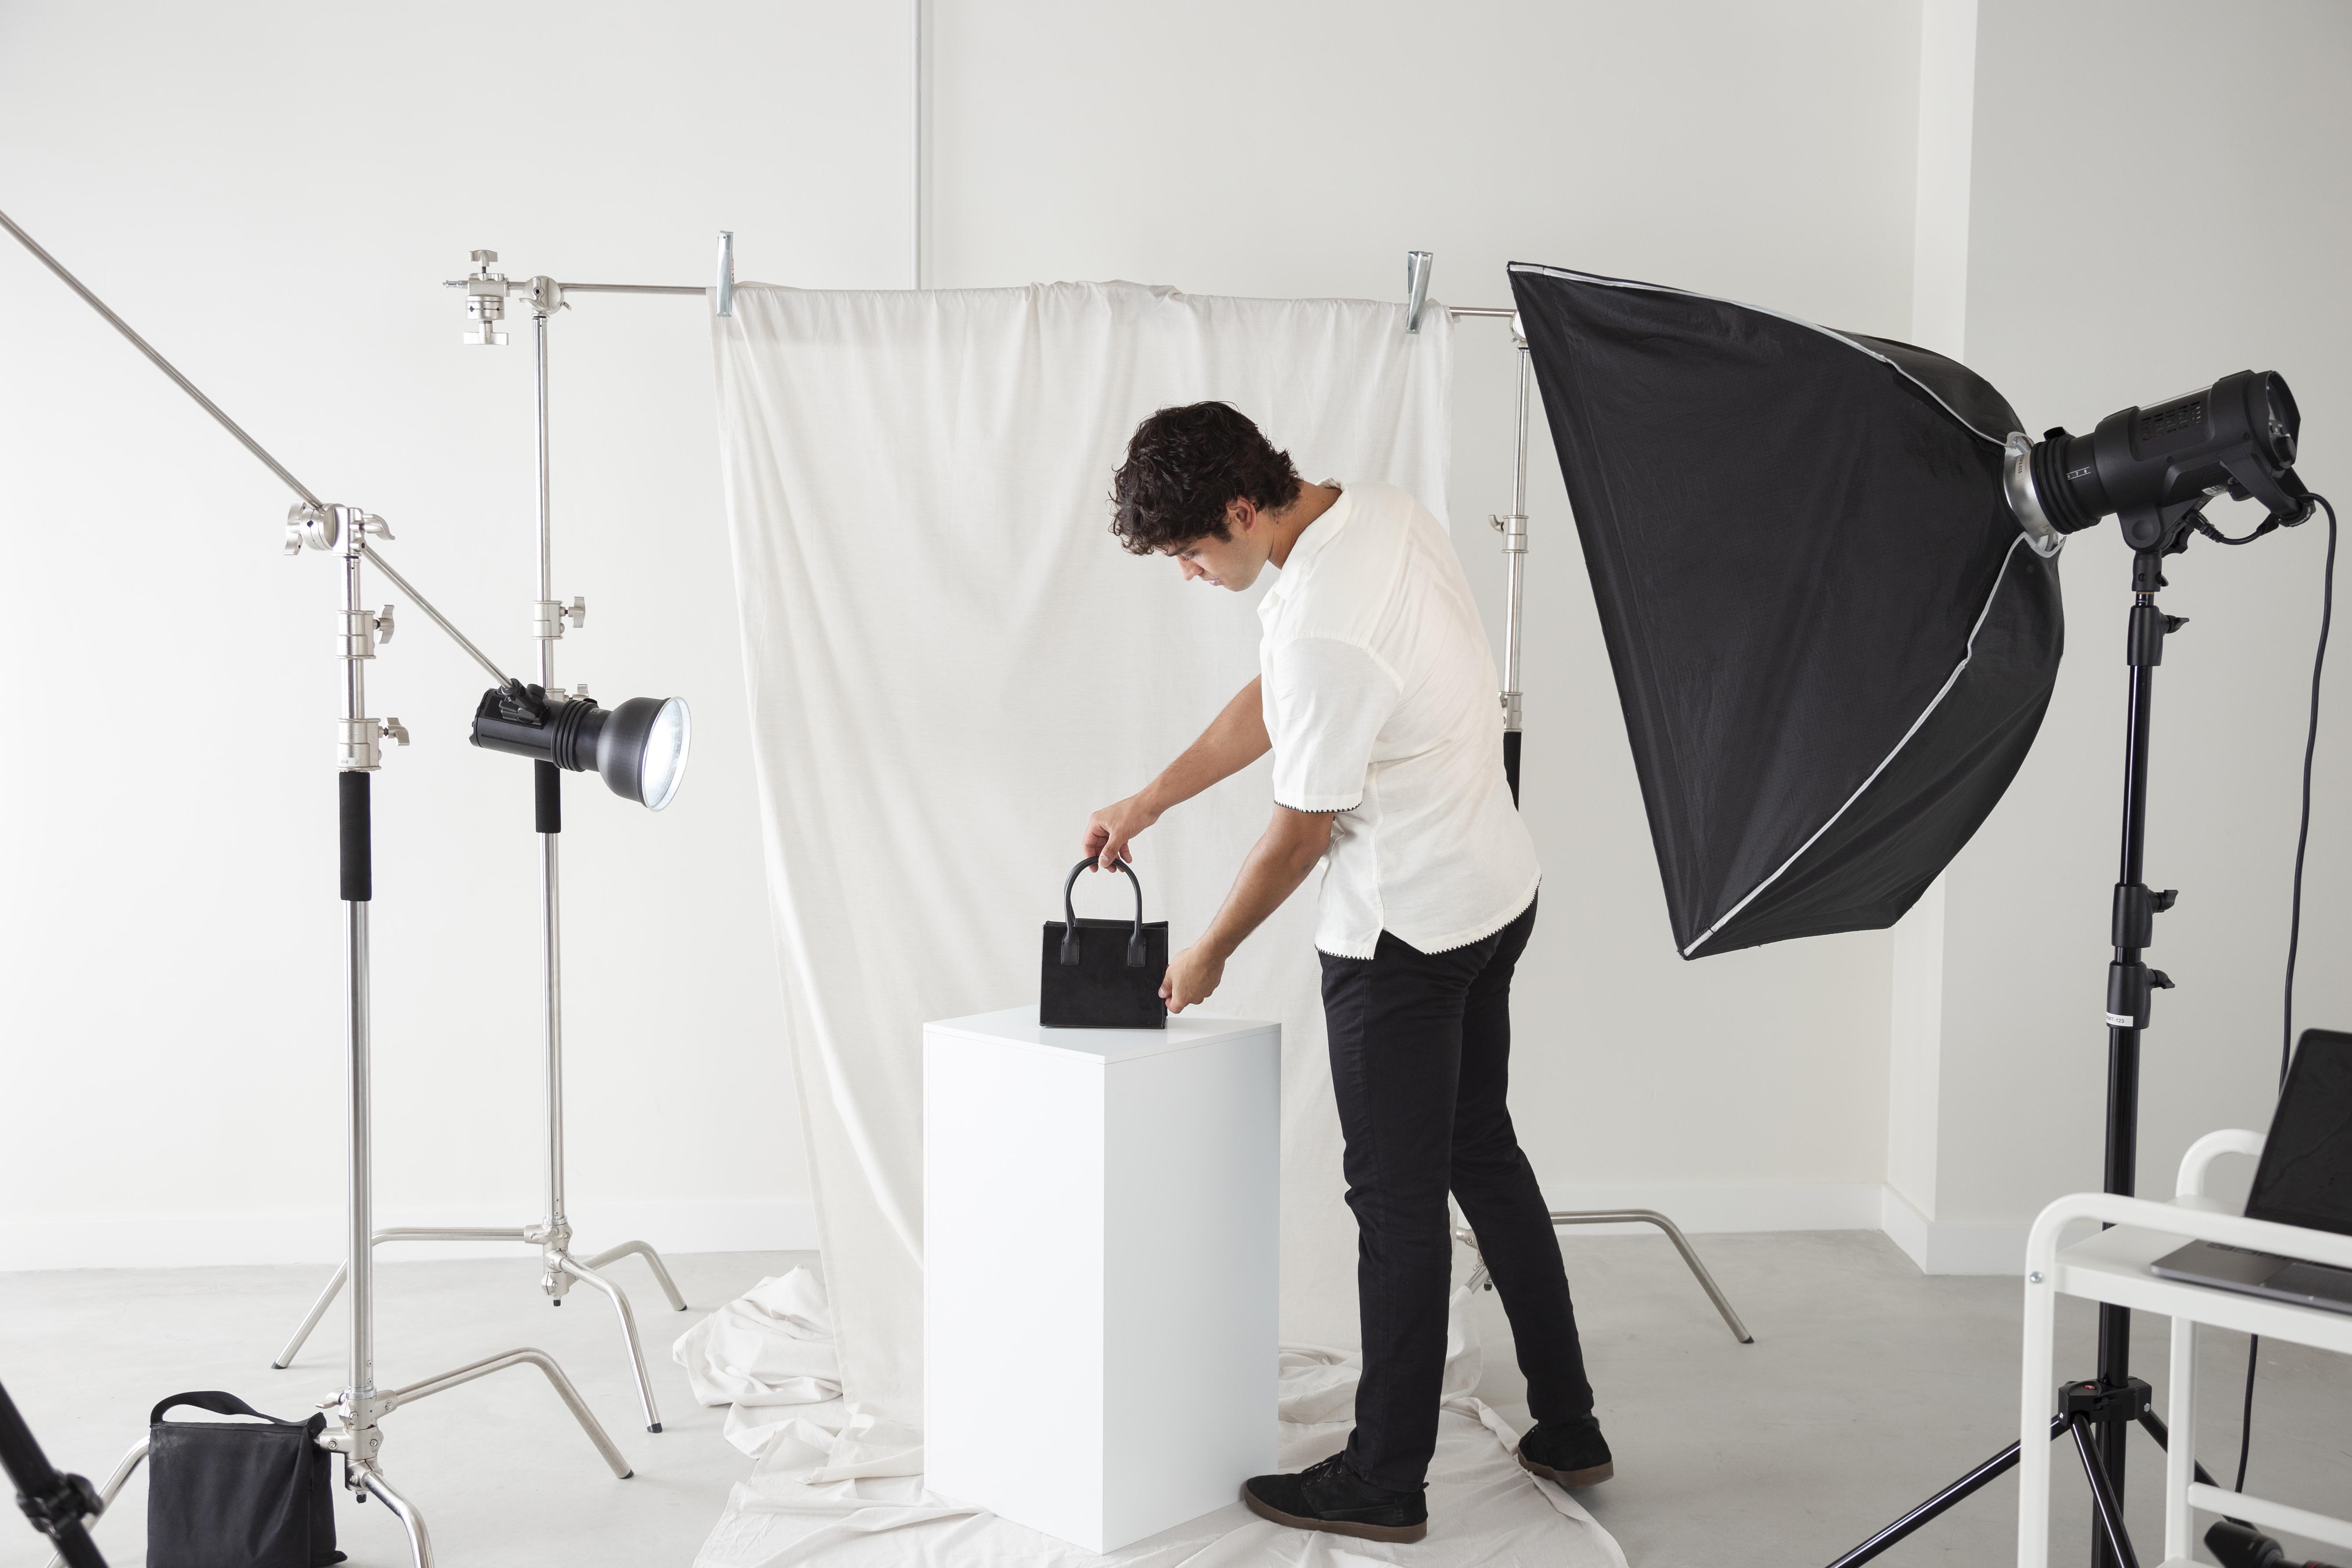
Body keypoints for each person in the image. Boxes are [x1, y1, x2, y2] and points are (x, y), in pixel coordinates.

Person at [1081, 402, 1610, 1544]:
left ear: (1236, 509)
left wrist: (1207, 950)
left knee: (1397, 1209)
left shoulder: (1321, 619)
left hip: (1406, 942)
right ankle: (1568, 1426)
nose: (1187, 574)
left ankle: (1384, 1478)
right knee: (1483, 1153)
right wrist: (1153, 798)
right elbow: (1281, 699)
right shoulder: (1378, 515)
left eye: (1187, 553)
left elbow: (1297, 834)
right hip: (1494, 889)